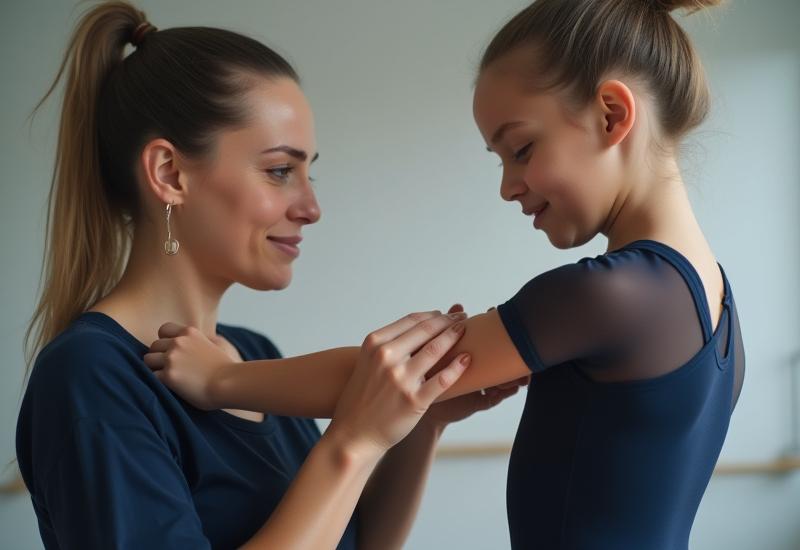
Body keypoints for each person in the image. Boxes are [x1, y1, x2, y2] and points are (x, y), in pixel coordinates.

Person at [147, 0, 745, 548]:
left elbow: (388, 375)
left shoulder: (608, 293)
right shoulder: (714, 304)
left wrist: (222, 379)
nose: (509, 186)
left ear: (612, 114)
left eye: (521, 149)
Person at [14, 2, 522, 548]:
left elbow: (358, 539)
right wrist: (353, 440)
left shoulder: (255, 354)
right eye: (280, 171)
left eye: (309, 172)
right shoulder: (92, 375)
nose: (311, 207)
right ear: (170, 174)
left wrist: (420, 420)